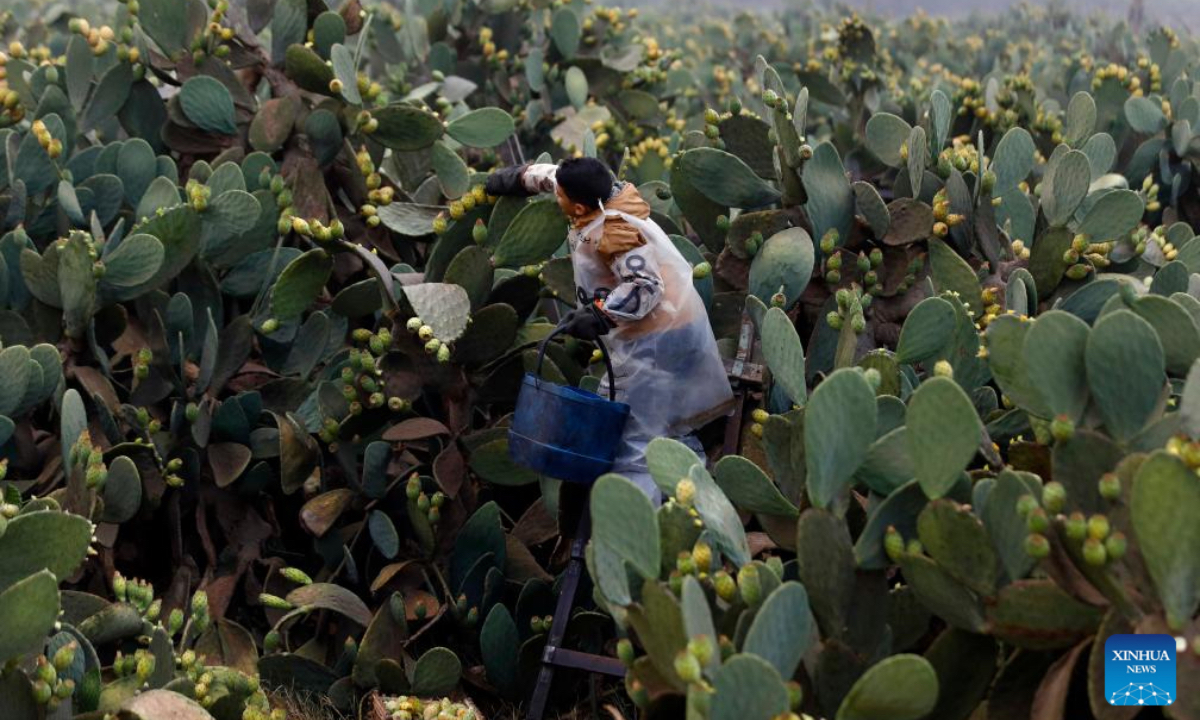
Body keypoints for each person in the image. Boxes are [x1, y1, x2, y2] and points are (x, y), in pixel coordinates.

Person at [486, 158, 735, 504]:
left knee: (634, 441)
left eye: (560, 197)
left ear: (578, 206)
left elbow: (647, 286)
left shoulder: (616, 233)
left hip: (658, 339)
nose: (556, 196)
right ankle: (694, 492)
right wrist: (515, 178)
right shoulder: (601, 189)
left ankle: (637, 532)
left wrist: (600, 315)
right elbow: (555, 175)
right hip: (662, 329)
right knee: (668, 426)